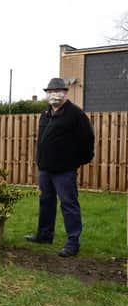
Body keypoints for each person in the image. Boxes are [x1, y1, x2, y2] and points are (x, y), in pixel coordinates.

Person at [25, 78, 94, 257]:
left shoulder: (75, 114)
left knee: (69, 204)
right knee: (45, 202)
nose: (54, 94)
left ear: (65, 93)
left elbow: (87, 140)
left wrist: (78, 161)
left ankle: (73, 242)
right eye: (51, 91)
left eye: (58, 91)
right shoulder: (45, 114)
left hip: (64, 169)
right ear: (47, 94)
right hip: (45, 168)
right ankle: (44, 235)